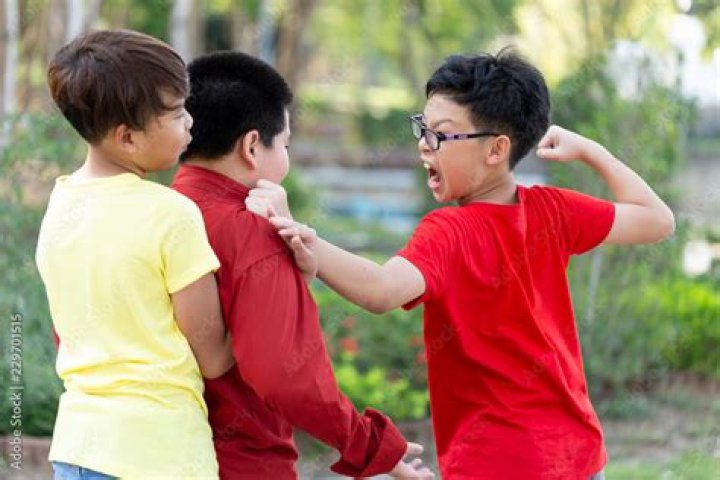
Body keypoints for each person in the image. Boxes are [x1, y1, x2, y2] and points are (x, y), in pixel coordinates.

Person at [251, 50, 675, 479]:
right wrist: (590, 151)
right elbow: (657, 219)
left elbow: (381, 290)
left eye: (440, 134)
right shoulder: (553, 211)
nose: (423, 143)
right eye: (422, 128)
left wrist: (304, 237)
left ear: (496, 149)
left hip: (499, 465)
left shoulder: (451, 232)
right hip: (579, 456)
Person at [170, 50, 433, 479]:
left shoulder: (154, 211)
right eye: (286, 145)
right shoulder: (251, 228)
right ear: (251, 146)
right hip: (242, 463)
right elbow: (286, 374)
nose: (287, 157)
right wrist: (374, 449)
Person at [36, 29, 234, 479]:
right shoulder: (171, 214)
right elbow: (214, 356)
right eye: (177, 113)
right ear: (127, 137)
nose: (190, 123)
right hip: (158, 454)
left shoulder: (60, 204)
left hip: (76, 449)